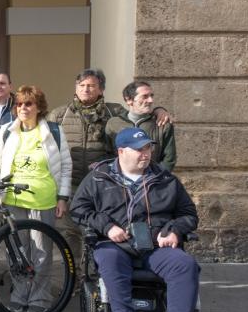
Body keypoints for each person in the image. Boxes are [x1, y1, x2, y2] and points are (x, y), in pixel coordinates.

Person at [70, 127, 201, 312]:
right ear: (121, 151)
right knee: (108, 259)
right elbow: (78, 209)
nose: (146, 153)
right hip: (116, 244)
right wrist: (107, 226)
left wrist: (174, 229)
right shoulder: (98, 178)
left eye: (148, 148)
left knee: (185, 265)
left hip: (156, 246)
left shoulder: (165, 179)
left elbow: (189, 214)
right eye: (139, 149)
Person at [48, 69, 171, 276]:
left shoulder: (114, 113)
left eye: (91, 85)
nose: (86, 89)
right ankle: (75, 278)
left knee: (99, 230)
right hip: (69, 183)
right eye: (81, 85)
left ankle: (98, 276)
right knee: (70, 233)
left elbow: (137, 114)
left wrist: (159, 110)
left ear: (101, 89)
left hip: (102, 185)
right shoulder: (59, 114)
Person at [0, 85, 71, 312]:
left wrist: (63, 197)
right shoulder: (8, 131)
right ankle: (20, 294)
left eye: (28, 103)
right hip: (13, 200)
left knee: (41, 253)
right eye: (19, 104)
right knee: (16, 251)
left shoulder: (53, 131)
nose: (23, 108)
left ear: (39, 107)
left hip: (44, 200)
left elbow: (65, 167)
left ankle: (39, 298)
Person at [106, 80, 176, 171]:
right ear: (129, 100)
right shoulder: (113, 124)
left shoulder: (162, 123)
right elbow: (107, 153)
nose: (151, 100)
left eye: (151, 96)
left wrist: (158, 176)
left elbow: (169, 159)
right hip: (119, 177)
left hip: (153, 177)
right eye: (145, 96)